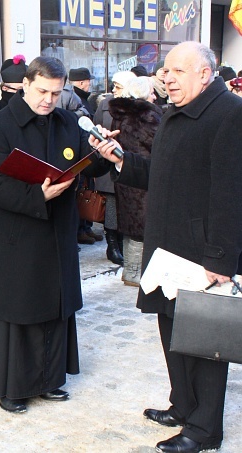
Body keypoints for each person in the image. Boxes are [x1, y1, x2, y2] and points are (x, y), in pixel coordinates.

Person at [92, 41, 242, 453]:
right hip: (167, 249)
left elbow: (232, 193)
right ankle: (183, 406)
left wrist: (220, 259)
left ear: (205, 75)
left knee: (205, 343)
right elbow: (163, 173)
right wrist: (121, 160)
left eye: (177, 71)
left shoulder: (230, 115)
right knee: (172, 331)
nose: (166, 77)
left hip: (201, 254)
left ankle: (205, 430)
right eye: (165, 70)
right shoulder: (178, 112)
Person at [0, 56, 111, 414]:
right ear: (25, 84)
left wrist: (101, 153)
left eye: (55, 92)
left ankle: (50, 379)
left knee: (55, 307)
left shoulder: (67, 121)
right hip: (19, 233)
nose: (48, 100)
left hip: (59, 232)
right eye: (42, 91)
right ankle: (14, 386)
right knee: (20, 310)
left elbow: (85, 162)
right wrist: (37, 195)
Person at [108, 76, 162, 286]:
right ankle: (134, 273)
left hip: (126, 175)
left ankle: (130, 271)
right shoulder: (146, 116)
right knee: (142, 227)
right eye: (151, 92)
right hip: (143, 177)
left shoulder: (121, 114)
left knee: (131, 226)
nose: (155, 96)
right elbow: (157, 143)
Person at [94, 70, 137, 266]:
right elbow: (95, 126)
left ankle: (122, 244)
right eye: (114, 85)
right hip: (108, 160)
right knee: (111, 205)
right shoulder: (105, 103)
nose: (113, 90)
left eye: (118, 86)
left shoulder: (137, 105)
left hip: (129, 162)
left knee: (127, 205)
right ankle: (112, 245)